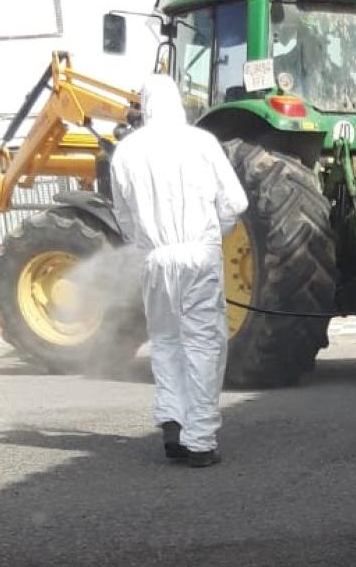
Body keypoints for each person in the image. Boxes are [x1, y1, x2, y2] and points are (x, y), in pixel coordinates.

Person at [111, 75, 248, 466]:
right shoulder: (201, 142)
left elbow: (124, 218)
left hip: (155, 261)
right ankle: (201, 442)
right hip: (198, 257)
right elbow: (235, 202)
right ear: (178, 103)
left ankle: (173, 421)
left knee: (167, 342)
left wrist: (151, 245)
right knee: (204, 345)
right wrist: (211, 235)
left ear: (145, 105)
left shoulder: (125, 151)